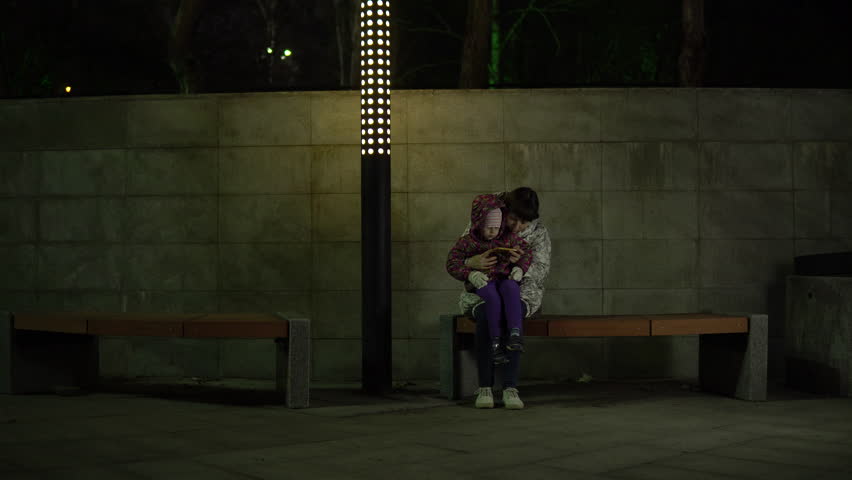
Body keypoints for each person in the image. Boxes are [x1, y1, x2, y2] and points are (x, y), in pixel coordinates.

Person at [458, 187, 552, 410]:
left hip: (520, 294)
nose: (517, 227)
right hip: (483, 292)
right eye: (513, 219)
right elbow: (460, 254)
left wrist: (519, 266)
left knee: (513, 319)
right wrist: (473, 263)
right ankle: (485, 388)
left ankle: (510, 387)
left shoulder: (539, 234)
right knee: (487, 316)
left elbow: (541, 268)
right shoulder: (486, 221)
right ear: (505, 211)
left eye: (524, 223)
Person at [446, 194, 533, 366]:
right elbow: (452, 263)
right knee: (492, 298)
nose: (493, 232)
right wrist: (470, 274)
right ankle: (495, 344)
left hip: (504, 278)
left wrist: (519, 268)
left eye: (496, 227)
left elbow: (526, 250)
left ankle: (515, 334)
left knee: (511, 288)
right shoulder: (467, 242)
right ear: (478, 224)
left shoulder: (506, 237)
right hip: (484, 281)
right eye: (488, 227)